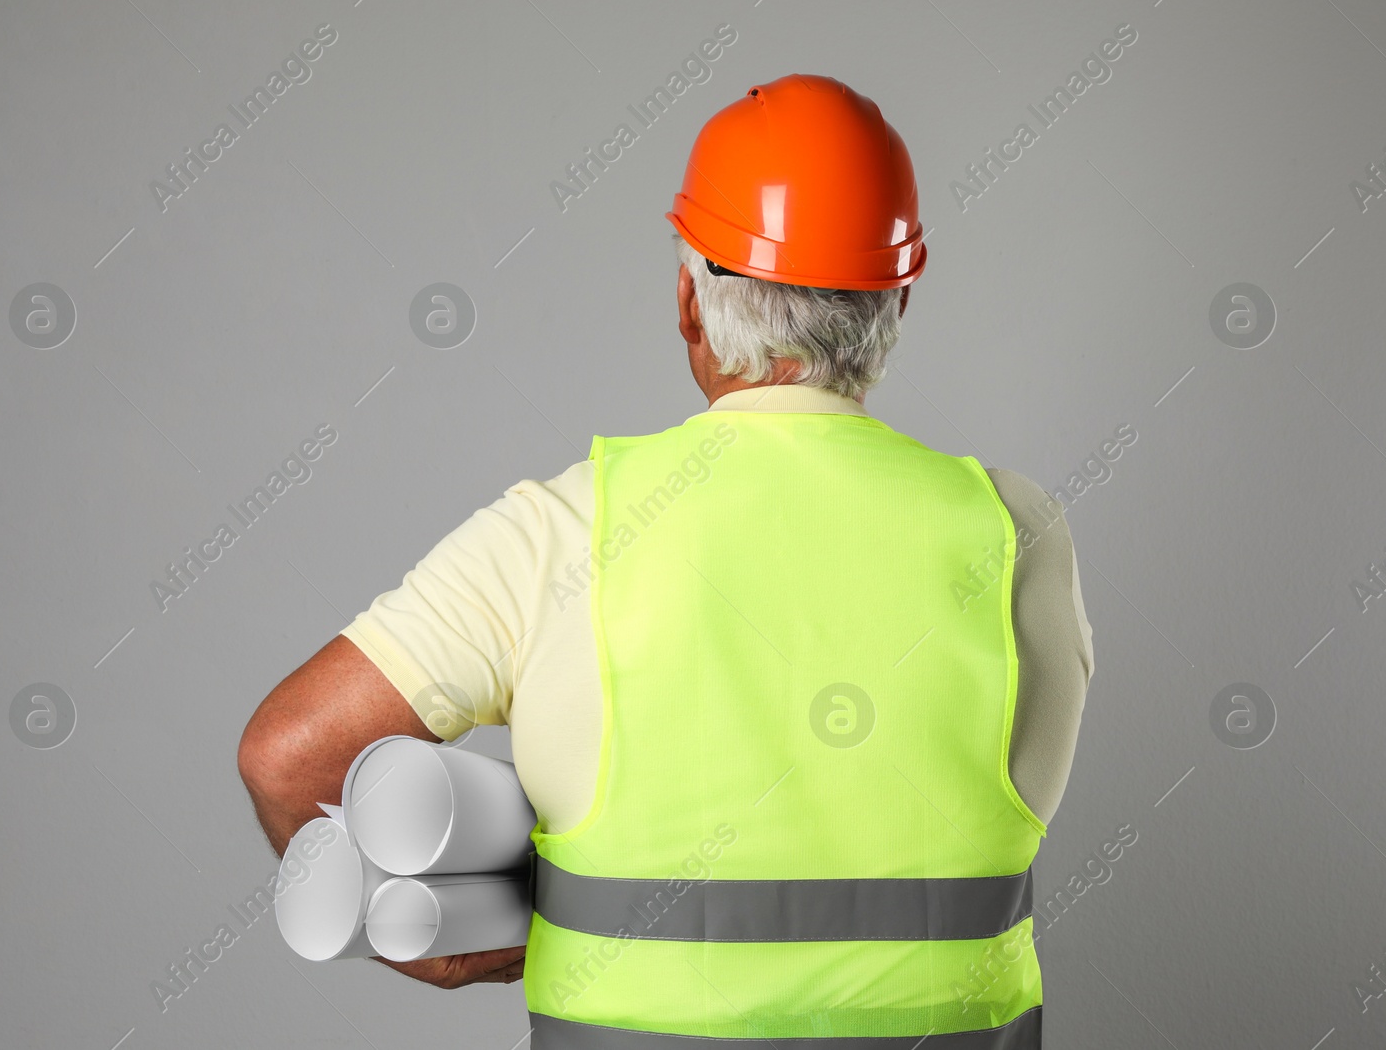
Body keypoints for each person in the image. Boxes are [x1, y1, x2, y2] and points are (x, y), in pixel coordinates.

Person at [239, 73, 1092, 1047]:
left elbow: (288, 750)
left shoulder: (566, 529)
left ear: (689, 301)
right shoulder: (1016, 529)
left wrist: (421, 940)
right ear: (894, 299)